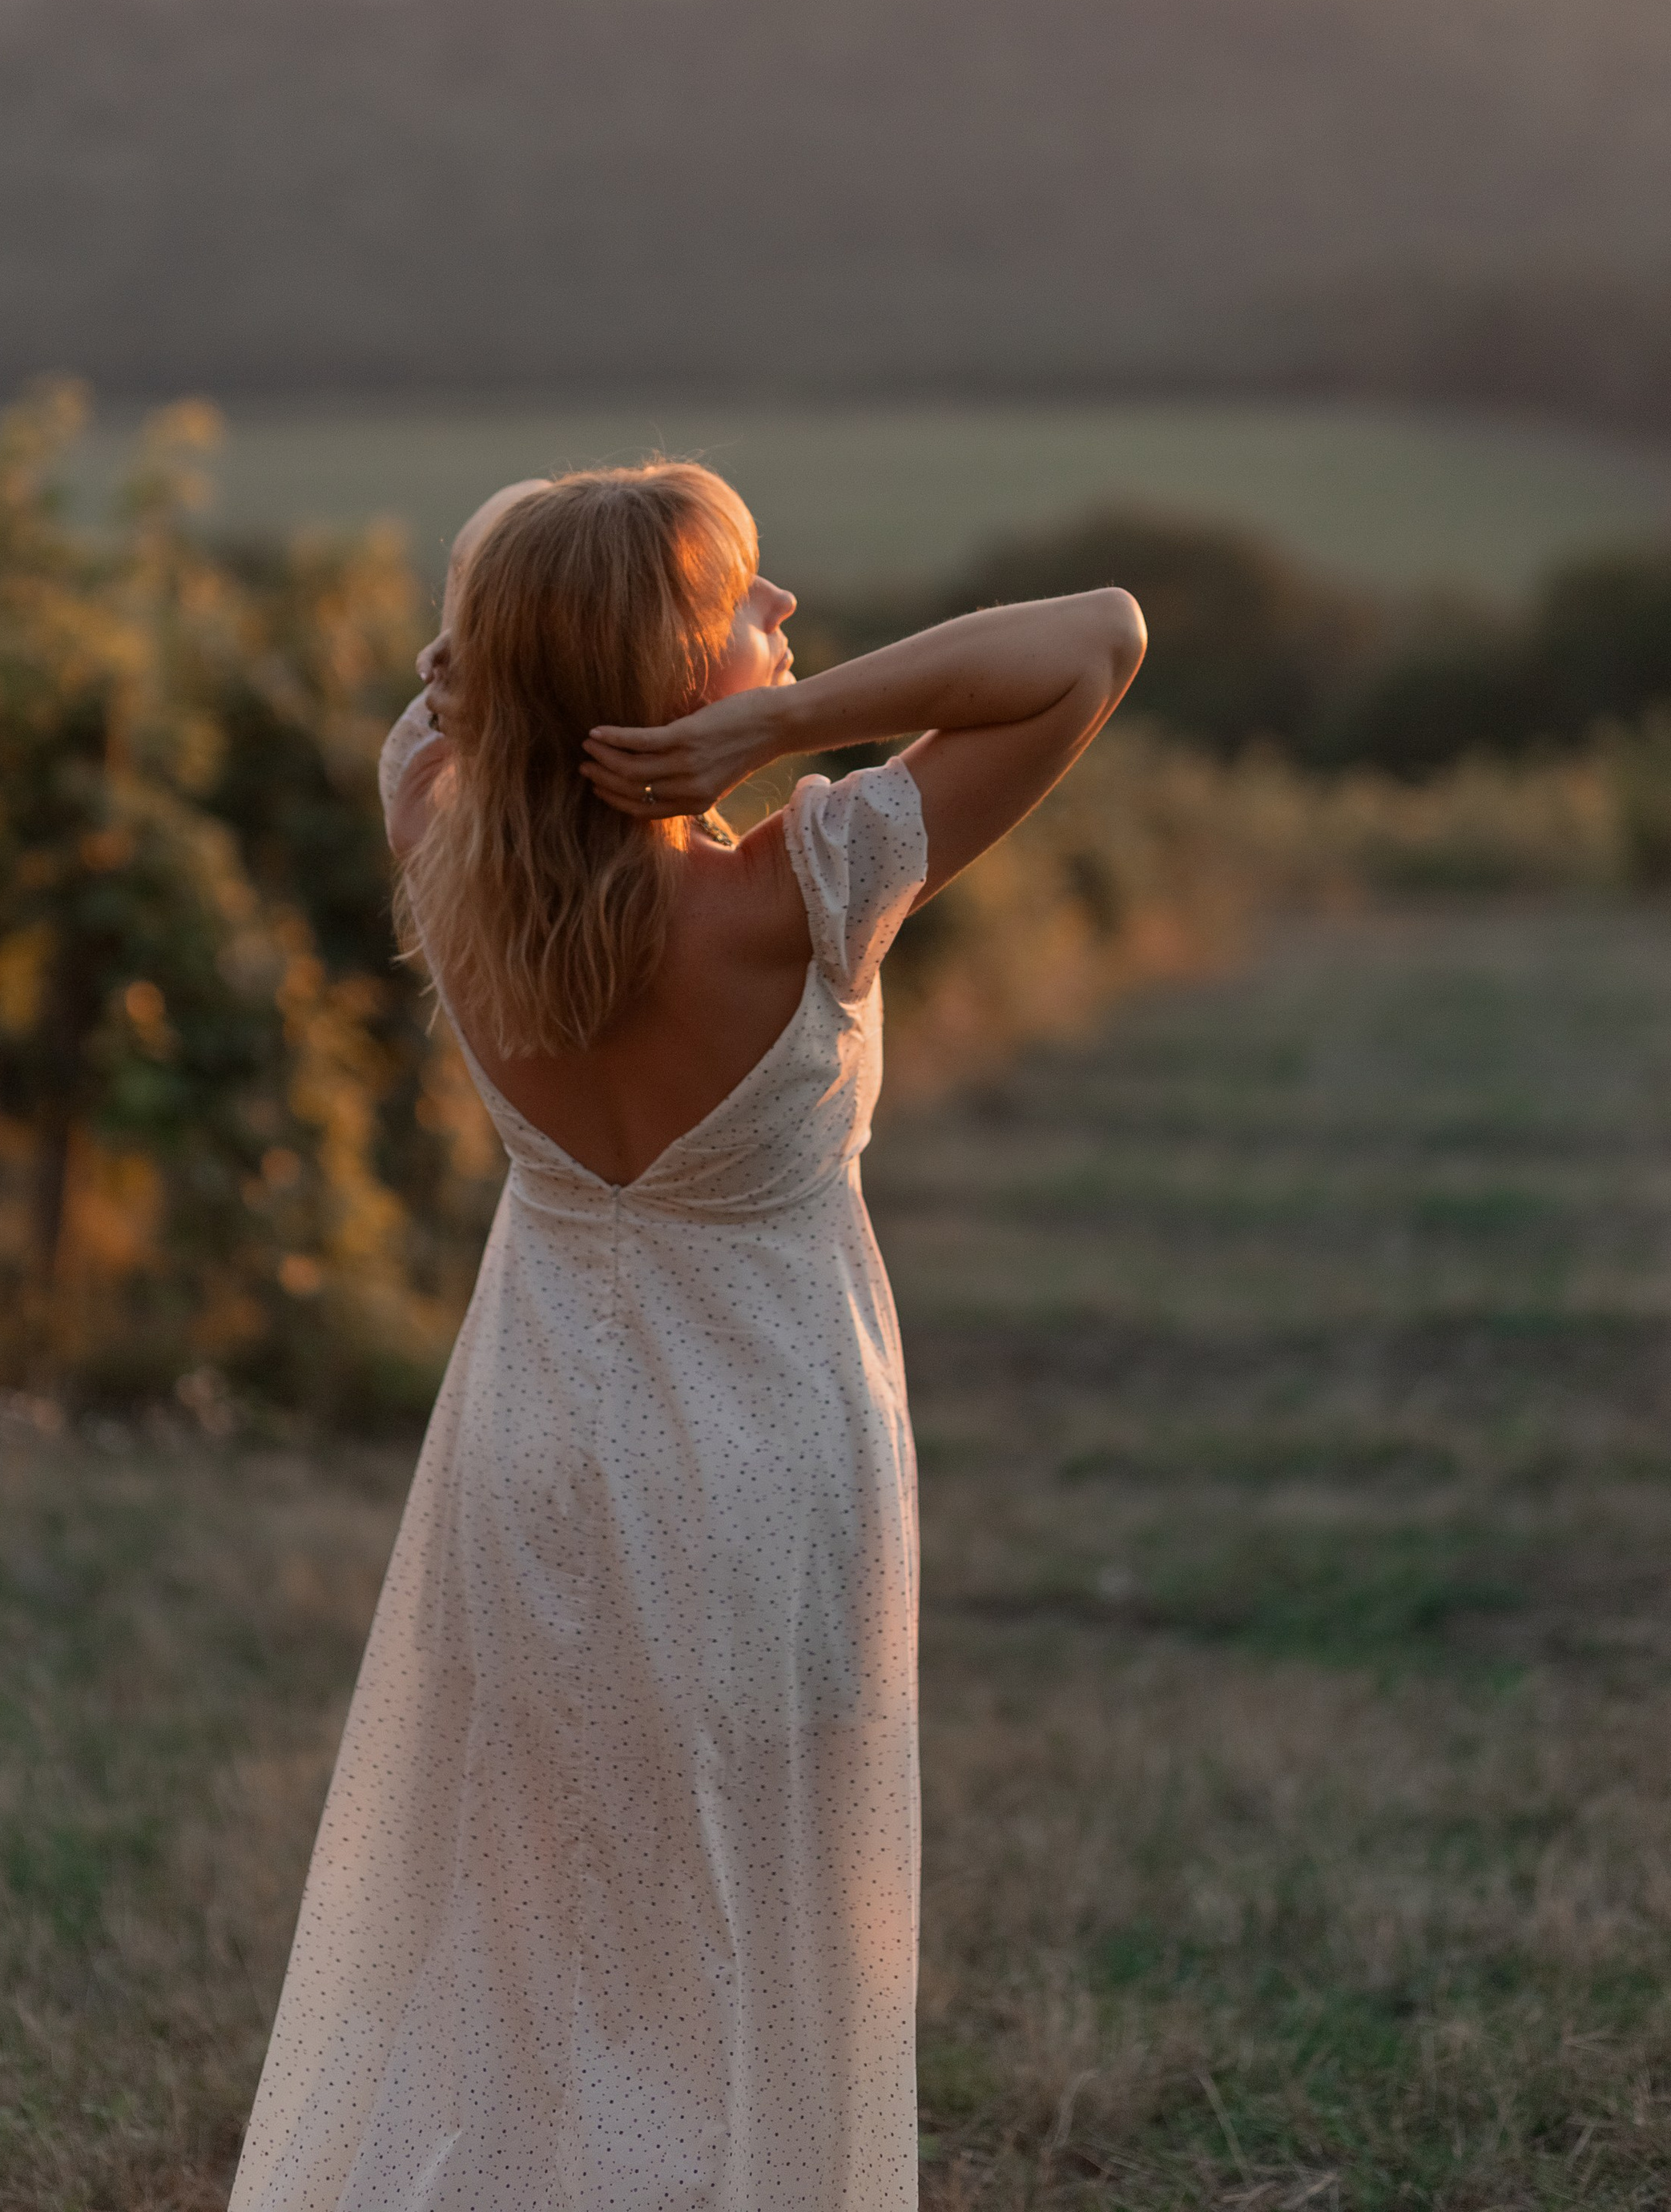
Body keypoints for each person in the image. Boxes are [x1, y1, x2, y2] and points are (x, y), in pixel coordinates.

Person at [230, 463, 1145, 2212]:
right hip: (768, 1456)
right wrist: (789, 726)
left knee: (540, 1906)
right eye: (748, 605)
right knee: (764, 1900)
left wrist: (520, 672)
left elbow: (435, 711)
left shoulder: (435, 830)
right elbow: (1094, 641)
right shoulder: (803, 888)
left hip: (538, 1443)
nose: (783, 615)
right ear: (669, 675)